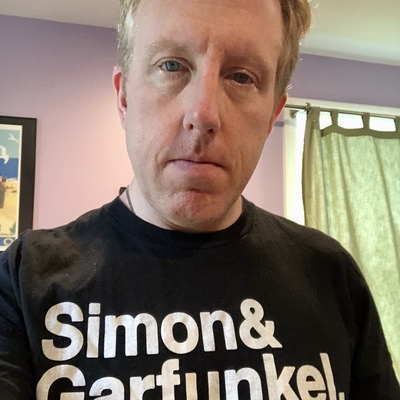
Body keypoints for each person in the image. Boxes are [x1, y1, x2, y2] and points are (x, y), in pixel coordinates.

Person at [0, 0, 399, 398]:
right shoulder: (22, 282)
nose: (203, 114)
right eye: (172, 65)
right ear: (124, 98)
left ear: (272, 116)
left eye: (241, 77)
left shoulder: (330, 275)